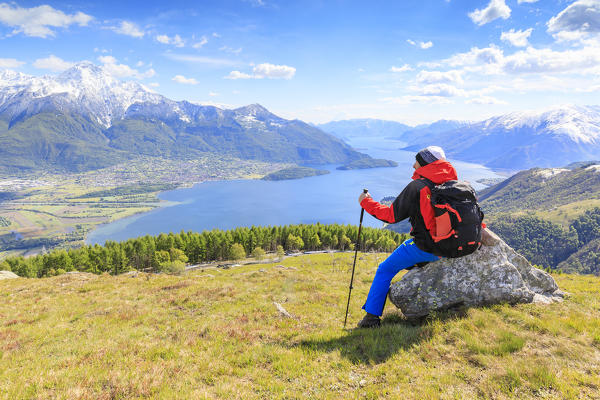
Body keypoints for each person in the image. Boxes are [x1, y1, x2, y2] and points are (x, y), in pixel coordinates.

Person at [356, 145, 457, 328]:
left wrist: (366, 202)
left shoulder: (417, 187)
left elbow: (390, 216)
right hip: (452, 246)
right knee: (409, 255)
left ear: (425, 163)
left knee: (385, 269)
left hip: (427, 247)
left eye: (417, 161)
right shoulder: (454, 184)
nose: (413, 165)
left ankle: (371, 318)